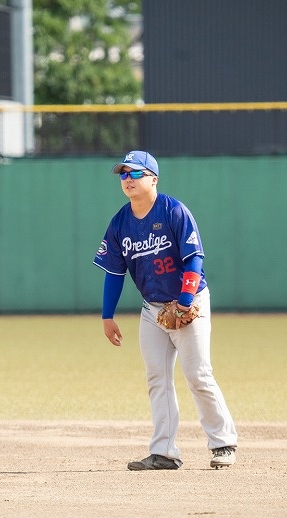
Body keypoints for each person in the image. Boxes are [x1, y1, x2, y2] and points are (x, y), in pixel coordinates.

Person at [92, 150, 238, 470]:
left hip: (190, 303)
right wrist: (107, 315)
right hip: (153, 310)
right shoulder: (119, 223)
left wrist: (185, 299)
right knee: (157, 378)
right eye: (123, 174)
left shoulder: (173, 211)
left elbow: (194, 259)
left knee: (198, 375)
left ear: (153, 179)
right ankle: (164, 452)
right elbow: (114, 273)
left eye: (135, 173)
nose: (127, 179)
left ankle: (223, 443)